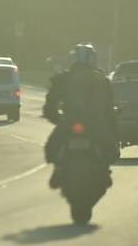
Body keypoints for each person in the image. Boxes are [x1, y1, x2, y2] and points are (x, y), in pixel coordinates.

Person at [42, 43, 118, 189]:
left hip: (71, 121)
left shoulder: (62, 78)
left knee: (52, 147)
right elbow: (109, 109)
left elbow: (50, 105)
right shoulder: (101, 79)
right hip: (93, 122)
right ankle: (100, 170)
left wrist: (56, 118)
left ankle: (61, 171)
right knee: (111, 149)